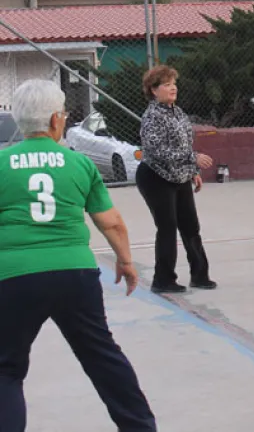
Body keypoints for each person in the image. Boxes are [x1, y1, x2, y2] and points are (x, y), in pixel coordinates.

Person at [0, 79, 157, 431]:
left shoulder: (1, 162)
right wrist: (126, 261)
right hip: (74, 273)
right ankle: (139, 427)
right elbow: (112, 222)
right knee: (102, 356)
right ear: (57, 120)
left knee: (6, 368)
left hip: (14, 275)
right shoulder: (79, 163)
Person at [136, 65, 216, 294]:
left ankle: (200, 275)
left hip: (179, 176)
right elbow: (157, 150)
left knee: (191, 226)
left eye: (174, 83)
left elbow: (183, 145)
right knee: (167, 227)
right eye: (167, 85)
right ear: (153, 90)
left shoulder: (178, 112)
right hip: (155, 177)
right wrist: (194, 158)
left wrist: (193, 171)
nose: (173, 88)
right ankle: (163, 280)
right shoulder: (152, 116)